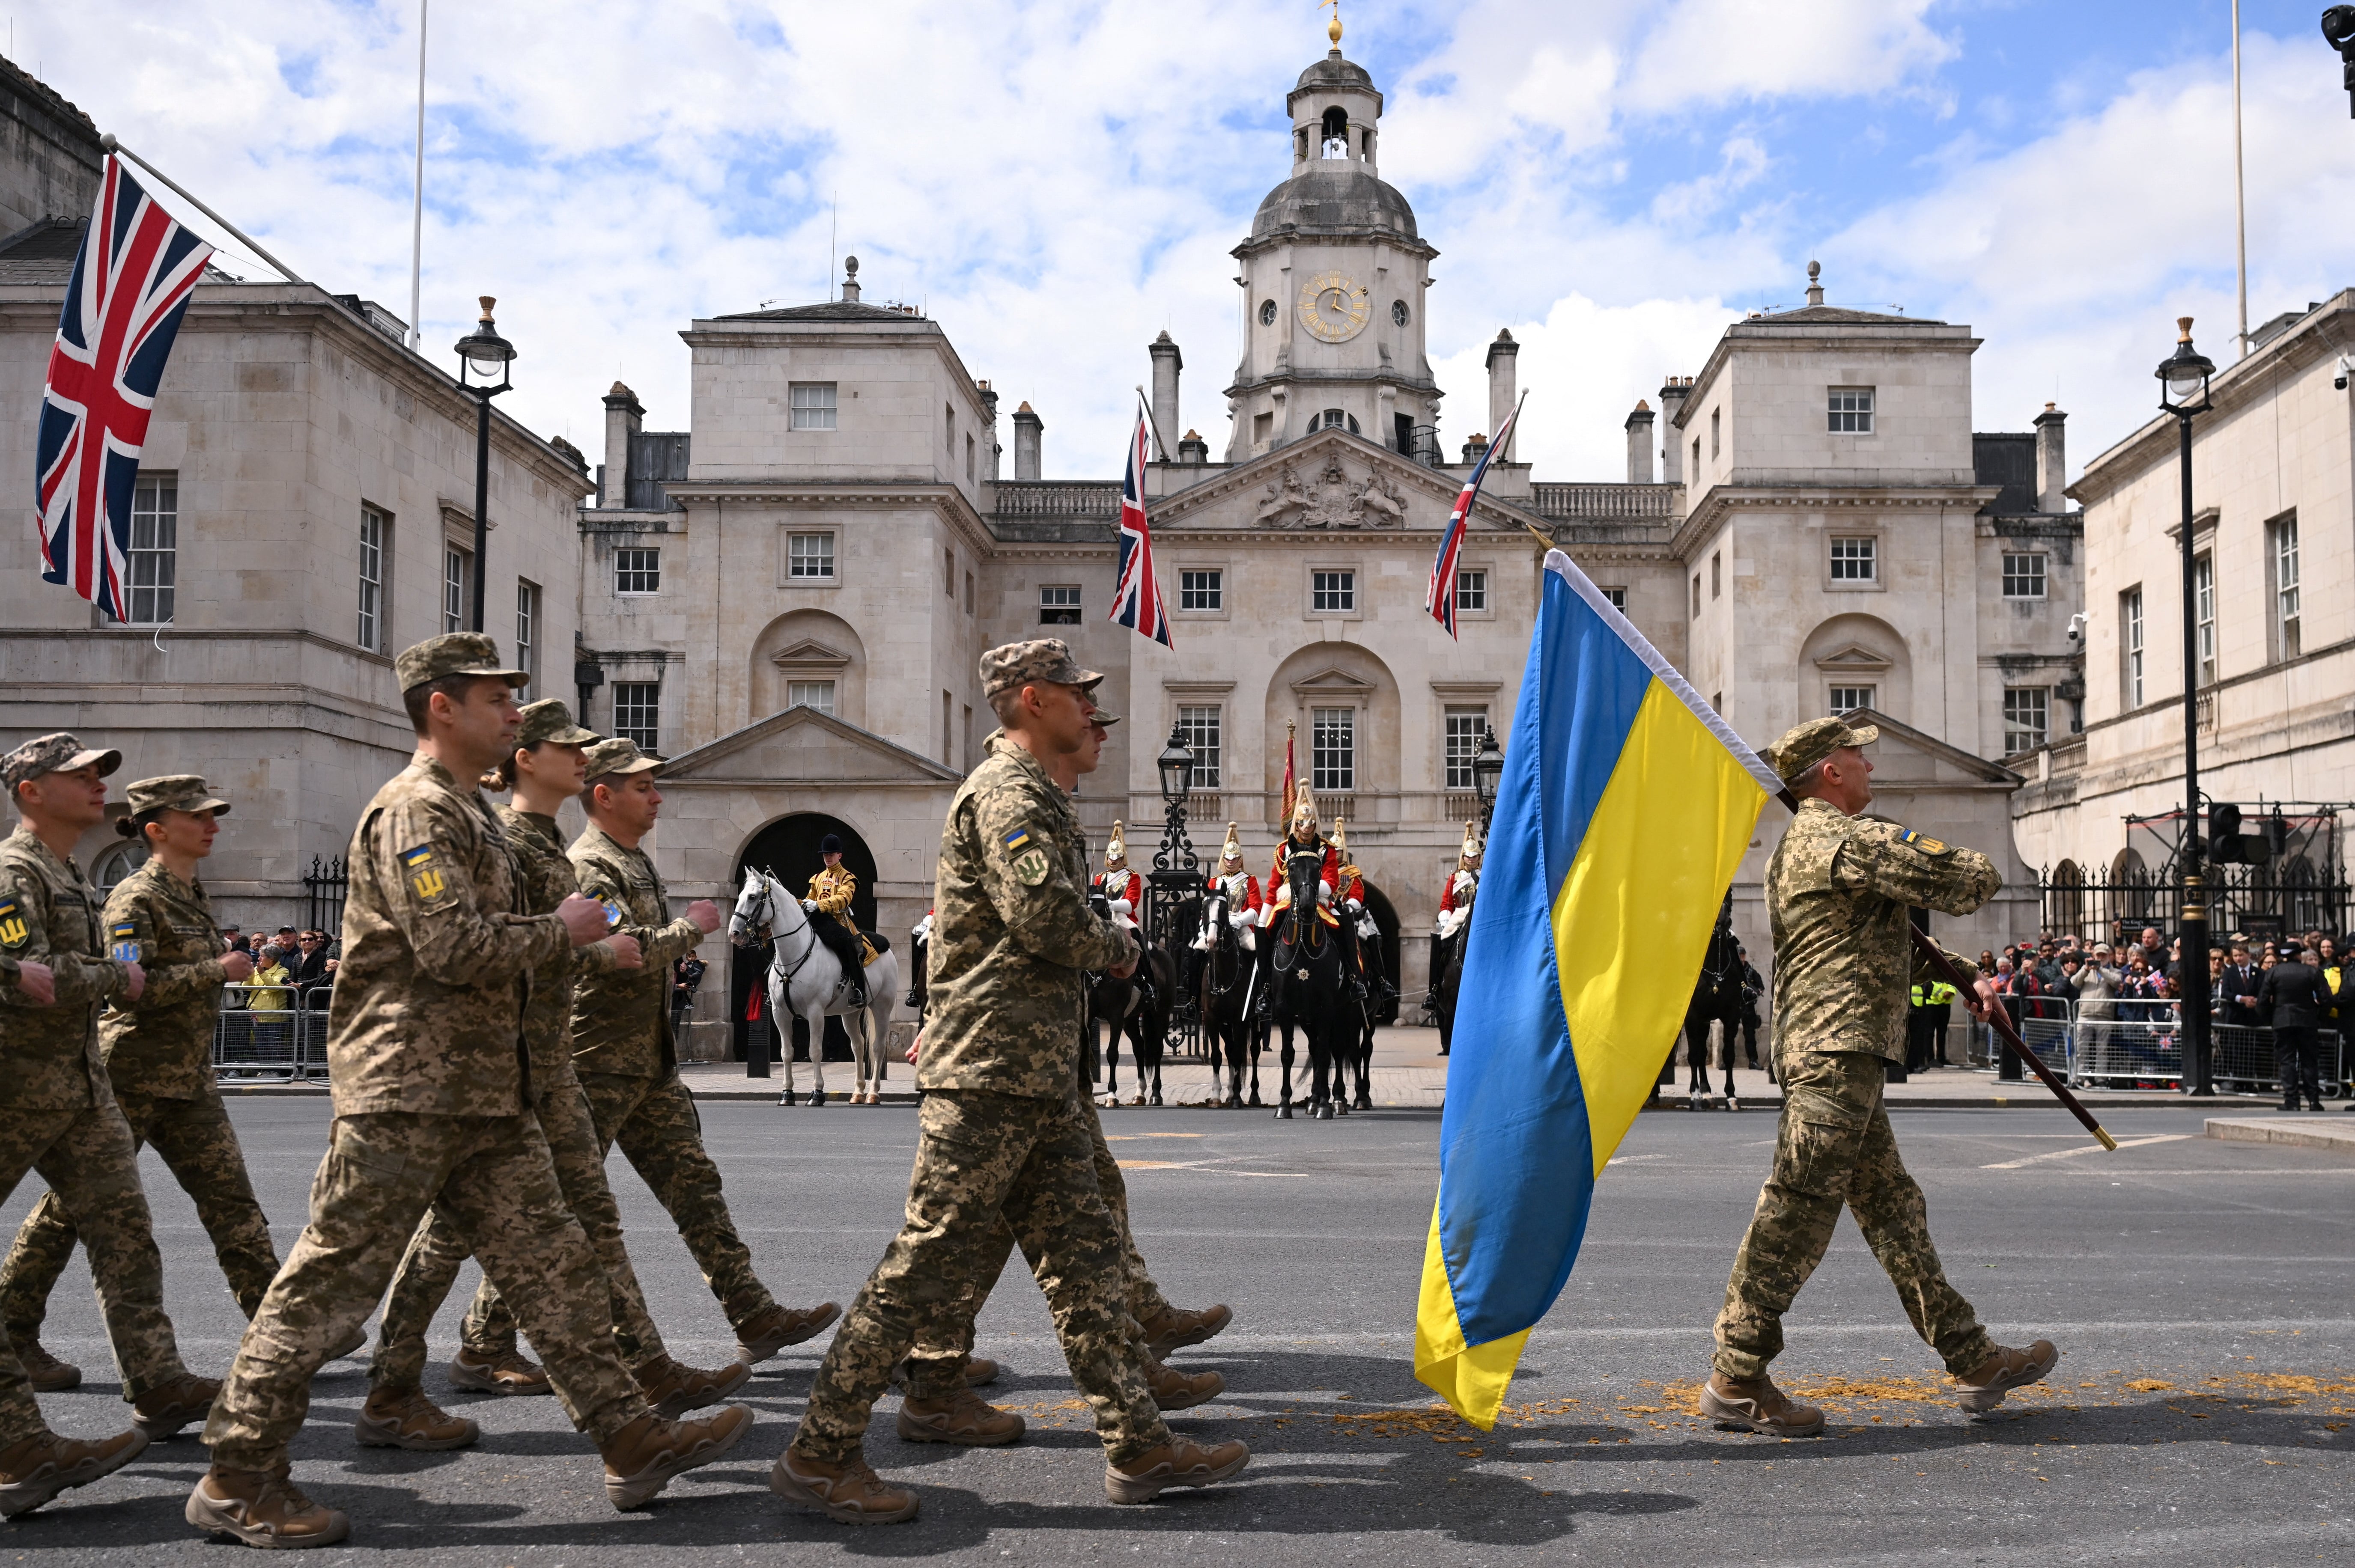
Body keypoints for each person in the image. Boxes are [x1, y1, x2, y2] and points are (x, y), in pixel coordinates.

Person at [189, 635, 751, 1549]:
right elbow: (451, 946)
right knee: (328, 1286)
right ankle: (237, 1474)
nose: (514, 714)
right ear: (442, 707)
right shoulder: (415, 810)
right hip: (406, 1090)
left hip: (487, 1090)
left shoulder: (469, 813)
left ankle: (630, 1435)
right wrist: (562, 930)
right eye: (497, 699)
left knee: (559, 1268)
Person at [772, 638, 1249, 1524]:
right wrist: (1119, 945)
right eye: (1077, 692)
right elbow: (1044, 916)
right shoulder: (1005, 793)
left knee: (1087, 1263)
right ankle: (820, 1449)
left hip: (1034, 1075)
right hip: (991, 1072)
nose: (1090, 707)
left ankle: (1139, 1445)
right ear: (1033, 698)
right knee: (923, 1265)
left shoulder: (1033, 794)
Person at [361, 698, 751, 1447]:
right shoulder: (500, 839)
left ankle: (642, 1380)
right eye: (565, 747)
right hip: (493, 1068)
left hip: (546, 1066)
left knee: (588, 1226)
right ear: (525, 761)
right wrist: (586, 945)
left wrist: (586, 948)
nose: (582, 757)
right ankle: (386, 1384)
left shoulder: (540, 844)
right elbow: (470, 948)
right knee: (441, 1238)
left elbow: (547, 950)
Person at [1702, 717, 2057, 1438]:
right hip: (1838, 1050)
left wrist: (1965, 974)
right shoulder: (1852, 840)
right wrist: (1907, 848)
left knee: (1894, 1208)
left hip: (1830, 1046)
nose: (1871, 765)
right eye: (1858, 756)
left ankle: (1972, 1356)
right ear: (1830, 771)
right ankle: (1736, 1374)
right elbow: (1972, 878)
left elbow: (1874, 938)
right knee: (1797, 1206)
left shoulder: (1798, 847)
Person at [890, 706, 1234, 1448]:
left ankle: (1129, 1368)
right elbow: (991, 934)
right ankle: (871, 1404)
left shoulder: (1049, 806)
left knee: (1077, 1216)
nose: (1102, 732)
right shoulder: (1007, 799)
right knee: (967, 1235)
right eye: (1089, 717)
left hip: (1039, 1055)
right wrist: (1117, 947)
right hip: (1000, 1059)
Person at [0, 776, 280, 1398]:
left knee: (230, 1204)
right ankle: (15, 1328)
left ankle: (280, 1329)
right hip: (131, 1072)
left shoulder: (189, 891)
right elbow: (131, 989)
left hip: (187, 1077)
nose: (212, 825)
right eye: (198, 816)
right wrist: (216, 970)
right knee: (69, 1216)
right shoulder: (133, 897)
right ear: (157, 828)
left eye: (213, 815)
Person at [0, 735, 219, 1520]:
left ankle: (158, 1381)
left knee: (126, 1230)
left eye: (101, 773)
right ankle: (19, 1446)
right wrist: (116, 975)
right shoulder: (15, 872)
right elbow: (26, 978)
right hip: (15, 1086)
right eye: (81, 774)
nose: (99, 784)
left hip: (79, 1085)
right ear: (30, 789)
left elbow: (52, 975)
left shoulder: (67, 874)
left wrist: (93, 978)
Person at [570, 738, 840, 1362]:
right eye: (643, 787)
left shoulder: (634, 860)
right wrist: (691, 928)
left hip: (648, 1059)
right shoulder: (591, 866)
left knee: (696, 1188)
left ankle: (753, 1313)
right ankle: (487, 1339)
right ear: (605, 796)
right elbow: (627, 949)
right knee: (564, 1204)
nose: (658, 797)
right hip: (599, 1061)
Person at [2257, 942, 2330, 1113]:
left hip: (2282, 1021)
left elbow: (2263, 1001)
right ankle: (2314, 1101)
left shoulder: (2274, 972)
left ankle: (2292, 1100)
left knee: (2287, 1061)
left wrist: (2271, 1018)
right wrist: (2318, 1016)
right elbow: (2326, 998)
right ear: (2298, 955)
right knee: (2310, 1061)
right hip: (2307, 1021)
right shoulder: (2311, 972)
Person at [805, 833, 873, 1012]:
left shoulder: (848, 878)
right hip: (818, 921)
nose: (828, 858)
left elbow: (843, 899)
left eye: (831, 854)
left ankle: (858, 989)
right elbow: (809, 899)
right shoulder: (817, 878)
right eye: (825, 855)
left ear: (839, 856)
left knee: (847, 942)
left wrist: (819, 905)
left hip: (838, 922)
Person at [670, 953, 706, 1044]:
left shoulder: (677, 958)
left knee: (674, 1029)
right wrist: (677, 986)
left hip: (676, 1001)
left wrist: (684, 971)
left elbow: (686, 979)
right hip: (663, 1002)